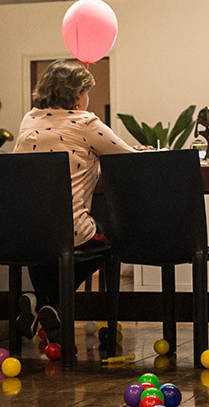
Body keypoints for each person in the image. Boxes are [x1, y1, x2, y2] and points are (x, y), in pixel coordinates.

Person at [12, 59, 138, 341]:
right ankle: (52, 304)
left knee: (44, 241)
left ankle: (39, 302)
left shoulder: (28, 120)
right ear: (75, 93)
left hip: (25, 232)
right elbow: (131, 160)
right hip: (70, 233)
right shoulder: (85, 123)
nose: (88, 98)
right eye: (86, 92)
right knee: (109, 243)